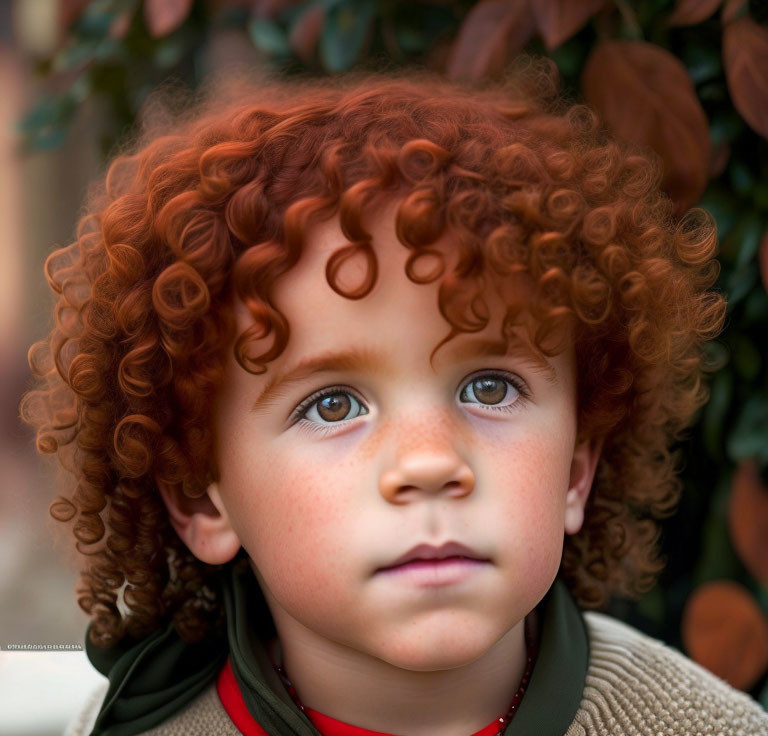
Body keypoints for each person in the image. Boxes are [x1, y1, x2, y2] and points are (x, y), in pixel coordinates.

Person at [22, 59, 768, 736]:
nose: (430, 462)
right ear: (203, 501)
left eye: (489, 386)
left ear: (576, 471)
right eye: (334, 404)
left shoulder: (695, 724)